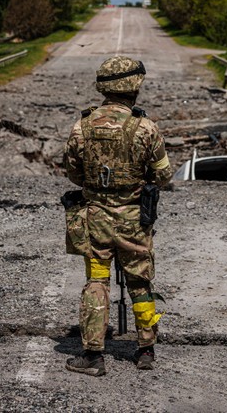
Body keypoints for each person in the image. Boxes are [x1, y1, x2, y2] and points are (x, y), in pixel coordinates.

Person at [62, 55, 173, 376]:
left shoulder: (81, 126)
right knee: (140, 282)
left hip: (95, 219)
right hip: (135, 222)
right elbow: (164, 176)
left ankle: (93, 356)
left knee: (97, 280)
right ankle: (145, 350)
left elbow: (73, 174)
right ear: (135, 88)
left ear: (103, 88)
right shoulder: (145, 128)